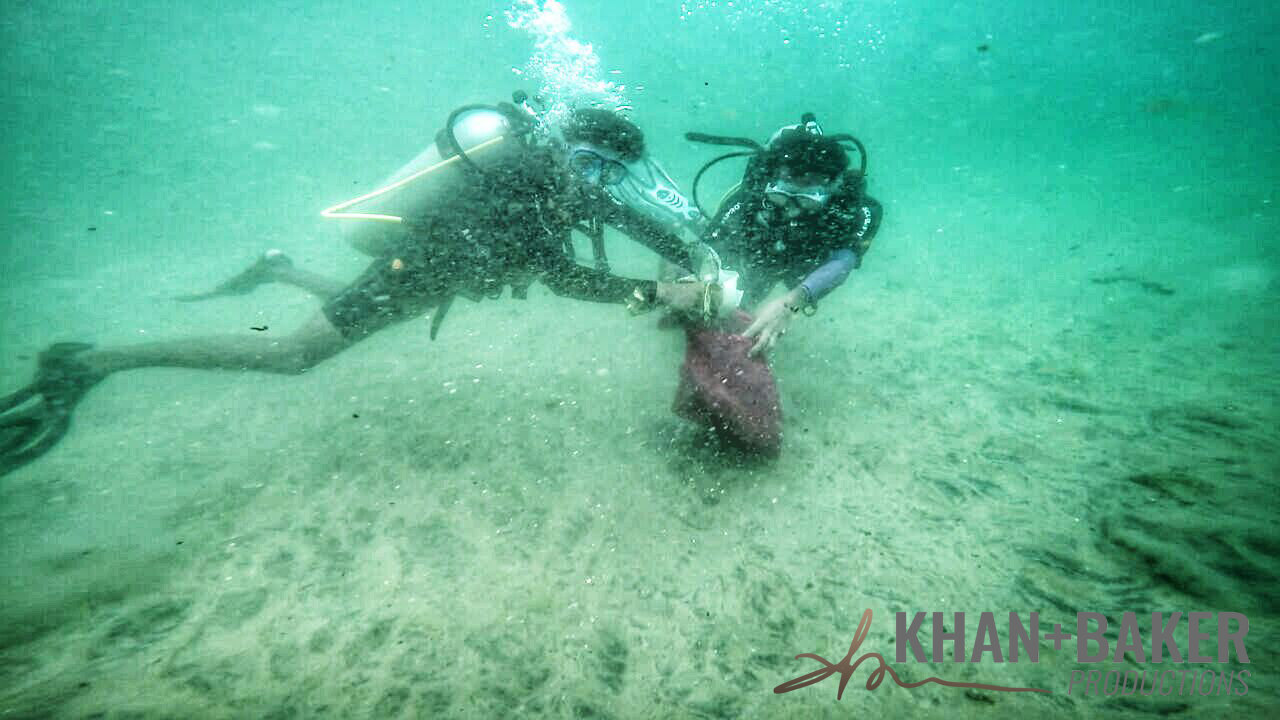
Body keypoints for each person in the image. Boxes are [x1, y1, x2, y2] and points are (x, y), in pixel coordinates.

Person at [0, 98, 716, 476]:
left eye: (608, 174)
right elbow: (563, 277)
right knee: (293, 354)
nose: (595, 186)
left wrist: (688, 254)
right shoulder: (529, 181)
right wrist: (661, 297)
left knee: (366, 317)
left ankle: (279, 267)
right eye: (590, 165)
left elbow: (631, 221)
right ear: (562, 149)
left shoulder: (562, 184)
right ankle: (90, 363)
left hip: (439, 274)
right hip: (421, 268)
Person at [686, 113, 883, 356]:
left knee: (764, 303)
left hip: (809, 264)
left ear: (832, 188)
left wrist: (792, 302)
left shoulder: (854, 209)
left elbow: (844, 261)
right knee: (736, 304)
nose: (791, 210)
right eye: (783, 195)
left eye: (805, 200)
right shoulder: (754, 195)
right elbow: (712, 244)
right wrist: (702, 279)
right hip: (761, 254)